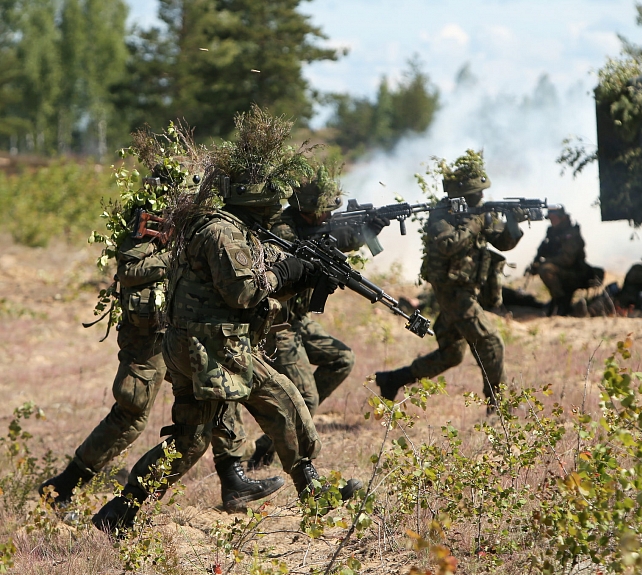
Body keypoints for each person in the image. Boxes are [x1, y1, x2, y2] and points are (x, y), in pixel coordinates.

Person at [91, 109, 361, 534]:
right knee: (274, 404)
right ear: (257, 196)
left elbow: (250, 281)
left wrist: (304, 273)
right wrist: (287, 272)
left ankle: (119, 513)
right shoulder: (222, 231)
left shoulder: (222, 224)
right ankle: (312, 489)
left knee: (201, 434)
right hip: (212, 350)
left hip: (204, 344)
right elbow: (244, 291)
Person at [39, 161, 282, 514]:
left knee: (219, 393)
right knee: (132, 410)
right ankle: (63, 486)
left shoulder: (203, 222)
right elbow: (130, 270)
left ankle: (233, 478)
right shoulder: (149, 220)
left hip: (185, 327)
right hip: (150, 332)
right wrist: (176, 257)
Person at [248, 163, 389, 470]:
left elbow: (336, 238)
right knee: (305, 399)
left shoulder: (312, 223)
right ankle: (271, 449)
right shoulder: (282, 230)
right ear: (305, 210)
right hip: (278, 324)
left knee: (342, 359)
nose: (328, 215)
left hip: (298, 319)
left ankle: (273, 437)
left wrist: (368, 231)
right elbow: (300, 258)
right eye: (323, 211)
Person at [374, 150, 523, 407]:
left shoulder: (478, 214)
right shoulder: (441, 215)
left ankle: (393, 379)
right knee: (490, 342)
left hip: (466, 291)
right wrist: (475, 222)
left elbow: (504, 243)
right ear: (464, 194)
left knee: (451, 354)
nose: (483, 197)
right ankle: (499, 407)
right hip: (452, 292)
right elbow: (448, 245)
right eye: (478, 193)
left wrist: (513, 222)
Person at [528, 206, 604, 316]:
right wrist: (535, 264)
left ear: (562, 218)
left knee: (546, 270)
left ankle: (562, 303)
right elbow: (543, 251)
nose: (552, 221)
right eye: (550, 218)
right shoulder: (552, 233)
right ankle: (559, 302)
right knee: (545, 268)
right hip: (564, 272)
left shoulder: (571, 234)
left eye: (554, 218)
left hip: (577, 273)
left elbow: (567, 260)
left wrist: (544, 263)